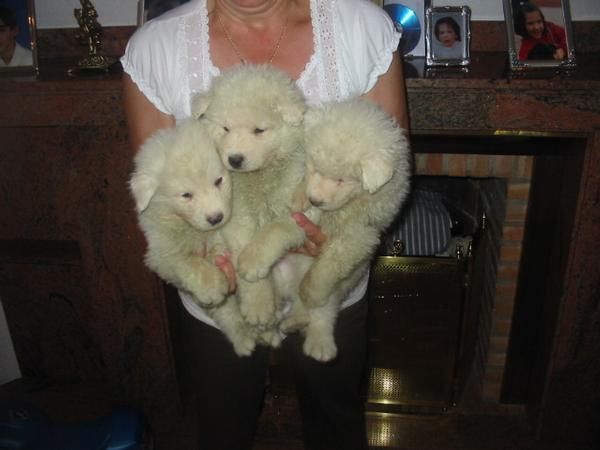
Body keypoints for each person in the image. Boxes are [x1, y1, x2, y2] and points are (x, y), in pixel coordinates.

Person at [121, 0, 409, 449]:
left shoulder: (360, 28)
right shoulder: (157, 49)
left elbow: (387, 168)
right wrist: (210, 260)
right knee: (222, 426)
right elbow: (159, 191)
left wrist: (335, 242)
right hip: (223, 295)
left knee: (335, 420)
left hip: (327, 284)